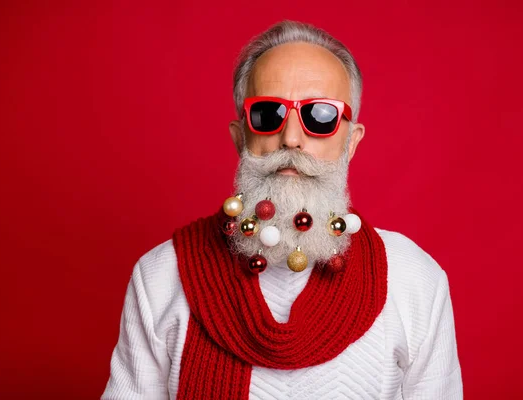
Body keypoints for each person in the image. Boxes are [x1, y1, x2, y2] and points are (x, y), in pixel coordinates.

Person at [101, 20, 463, 399]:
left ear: (351, 142)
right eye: (268, 114)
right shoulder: (160, 278)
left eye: (320, 116)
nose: (291, 138)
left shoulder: (415, 281)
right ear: (241, 137)